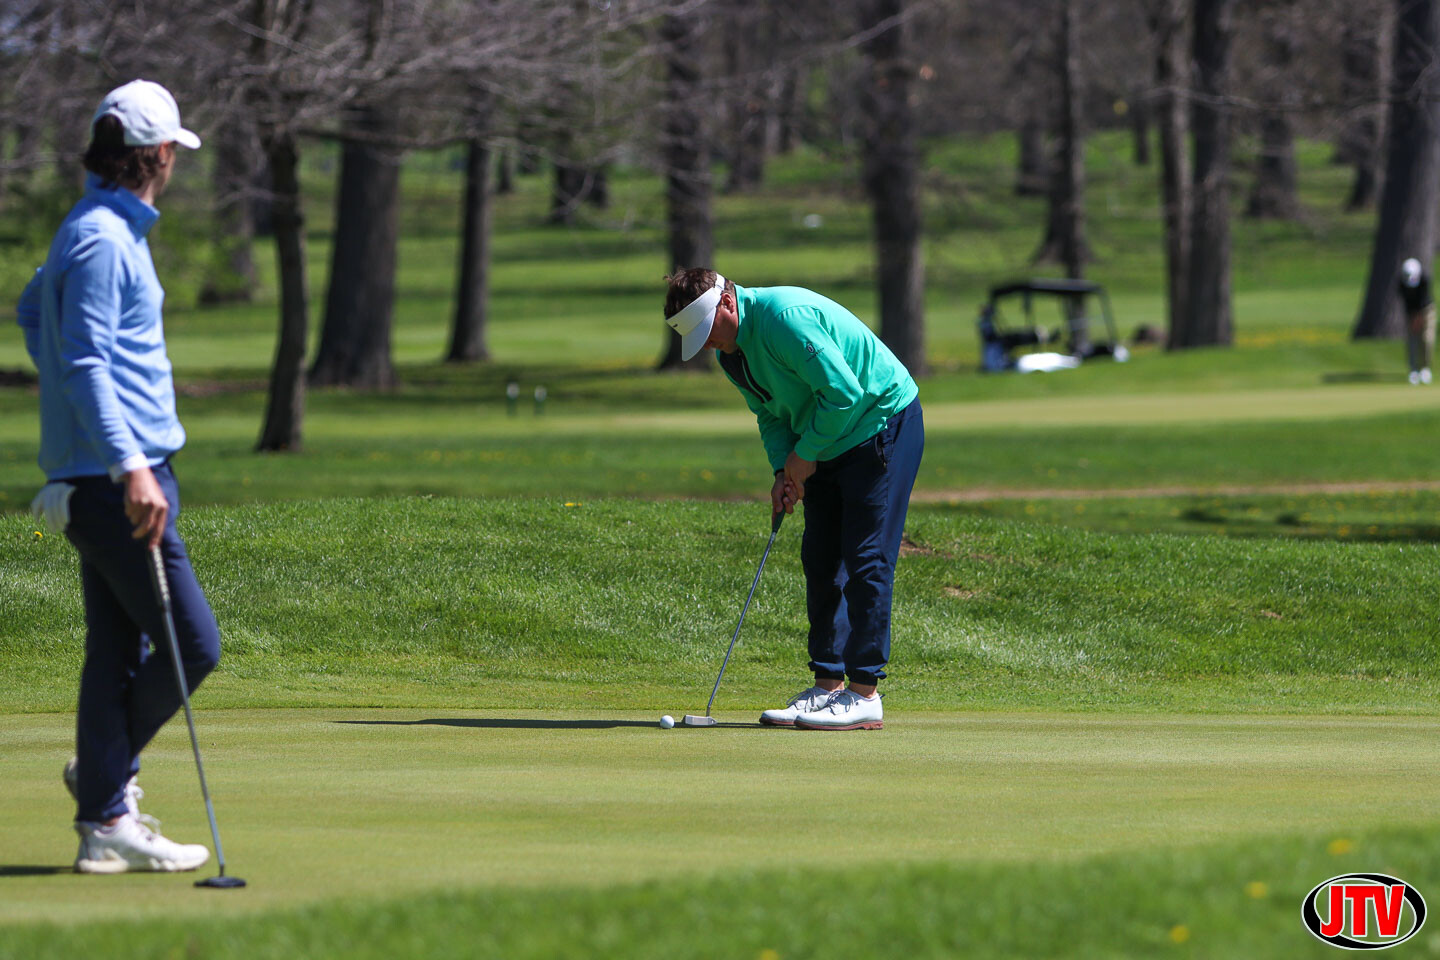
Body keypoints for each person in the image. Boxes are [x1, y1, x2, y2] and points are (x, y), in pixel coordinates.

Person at [17, 80, 219, 873]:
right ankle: (105, 792)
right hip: (118, 477)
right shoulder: (103, 237)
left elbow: (35, 314)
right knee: (193, 644)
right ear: (159, 153)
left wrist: (83, 429)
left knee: (115, 648)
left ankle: (104, 814)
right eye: (174, 150)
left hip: (108, 470)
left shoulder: (96, 226)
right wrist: (127, 462)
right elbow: (85, 359)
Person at [663, 269, 923, 731]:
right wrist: (783, 470)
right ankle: (827, 686)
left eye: (707, 331)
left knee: (866, 558)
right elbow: (769, 415)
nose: (706, 346)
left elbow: (844, 393)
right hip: (823, 438)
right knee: (820, 560)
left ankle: (865, 693)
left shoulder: (785, 319)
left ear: (727, 303)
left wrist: (805, 455)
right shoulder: (731, 355)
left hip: (879, 422)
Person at [1399, 257, 1434, 386]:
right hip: (1411, 312)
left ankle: (1425, 368)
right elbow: (1407, 303)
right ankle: (1413, 370)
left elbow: (1423, 300)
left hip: (1426, 311)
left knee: (1426, 339)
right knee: (1412, 340)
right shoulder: (1401, 284)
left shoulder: (1424, 280)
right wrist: (1413, 318)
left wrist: (1418, 318)